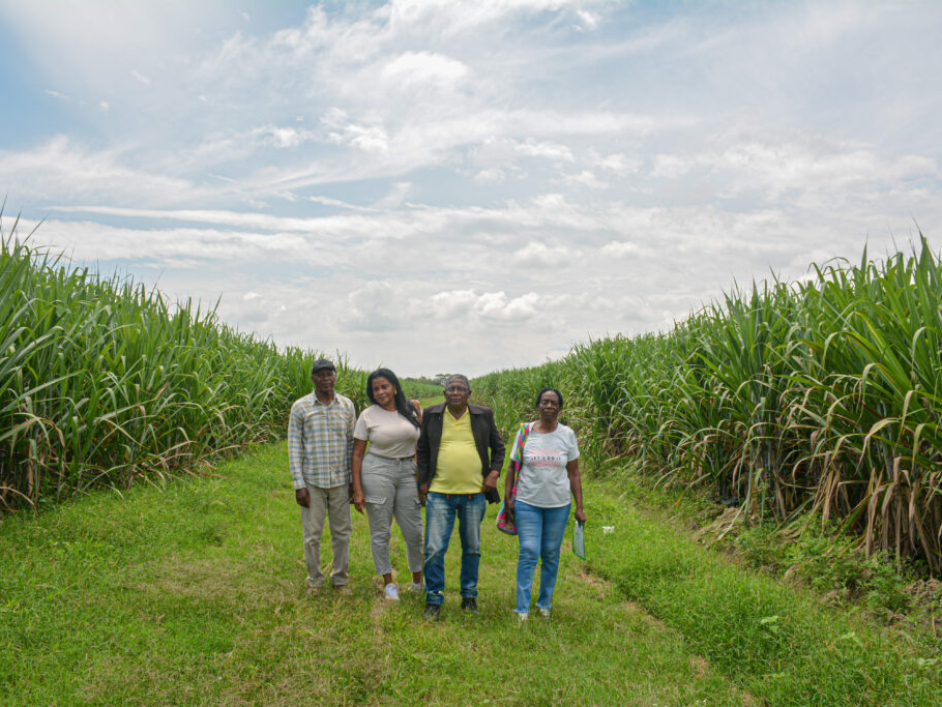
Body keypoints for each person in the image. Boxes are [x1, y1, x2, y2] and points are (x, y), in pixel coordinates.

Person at [417, 374, 505, 620]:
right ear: (444, 393)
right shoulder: (432, 415)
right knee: (434, 548)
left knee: (472, 548)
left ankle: (469, 596)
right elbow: (422, 449)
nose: (455, 392)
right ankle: (434, 598)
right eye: (450, 388)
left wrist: (494, 474)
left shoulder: (482, 415)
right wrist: (423, 481)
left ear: (469, 393)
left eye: (460, 388)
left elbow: (498, 448)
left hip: (473, 494)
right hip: (439, 493)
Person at [504, 387, 585, 621]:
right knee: (529, 551)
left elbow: (574, 472)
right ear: (538, 406)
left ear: (560, 408)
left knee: (550, 554)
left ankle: (545, 603)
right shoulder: (525, 432)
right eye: (544, 402)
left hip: (558, 505)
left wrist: (579, 507)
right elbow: (511, 467)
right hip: (527, 502)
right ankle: (522, 608)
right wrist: (508, 497)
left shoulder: (567, 435)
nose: (549, 406)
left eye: (554, 403)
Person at [351, 368, 424, 600]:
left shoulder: (410, 409)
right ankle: (389, 583)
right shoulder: (368, 415)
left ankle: (417, 581)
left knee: (414, 531)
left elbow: (418, 445)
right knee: (381, 531)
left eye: (384, 386)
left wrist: (420, 478)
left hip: (407, 472)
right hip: (377, 471)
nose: (381, 392)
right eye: (376, 389)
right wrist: (358, 490)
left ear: (394, 387)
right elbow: (357, 455)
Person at [288, 358, 357, 593]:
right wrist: (299, 484)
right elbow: (294, 447)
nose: (326, 378)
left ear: (335, 377)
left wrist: (352, 482)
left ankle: (340, 580)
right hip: (312, 482)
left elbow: (351, 445)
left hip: (340, 482)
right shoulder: (301, 407)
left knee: (342, 534)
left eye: (330, 374)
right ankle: (315, 581)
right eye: (321, 375)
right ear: (313, 379)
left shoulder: (347, 406)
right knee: (312, 535)